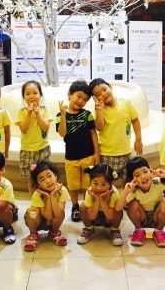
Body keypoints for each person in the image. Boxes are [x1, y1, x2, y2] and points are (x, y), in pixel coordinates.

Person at [115, 157, 165, 248]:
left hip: (158, 218)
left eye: (145, 171)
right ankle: (139, 230)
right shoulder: (133, 190)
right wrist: (126, 191)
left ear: (150, 171)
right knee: (132, 205)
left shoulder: (158, 182)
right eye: (137, 175)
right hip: (142, 218)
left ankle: (159, 231)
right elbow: (117, 207)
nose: (143, 176)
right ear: (132, 179)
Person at [56, 79, 99, 223]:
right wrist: (63, 115)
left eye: (85, 99)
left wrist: (96, 153)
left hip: (88, 156)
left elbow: (93, 133)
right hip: (71, 158)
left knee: (88, 185)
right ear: (69, 94)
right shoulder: (60, 116)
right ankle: (75, 207)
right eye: (78, 96)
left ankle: (87, 205)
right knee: (73, 186)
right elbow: (62, 133)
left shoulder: (87, 115)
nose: (81, 101)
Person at [89, 78, 143, 185]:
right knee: (107, 183)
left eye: (104, 89)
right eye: (98, 94)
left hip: (126, 152)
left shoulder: (125, 103)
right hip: (107, 154)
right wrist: (99, 110)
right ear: (95, 98)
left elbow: (135, 121)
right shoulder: (99, 110)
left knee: (128, 182)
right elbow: (99, 127)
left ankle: (127, 196)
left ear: (110, 87)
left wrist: (138, 139)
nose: (103, 94)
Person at [23, 160, 71, 252]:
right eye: (42, 179)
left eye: (49, 176)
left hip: (53, 220)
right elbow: (48, 216)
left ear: (55, 175)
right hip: (38, 221)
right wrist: (48, 198)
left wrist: (53, 196)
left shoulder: (62, 190)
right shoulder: (37, 194)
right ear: (38, 185)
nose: (48, 181)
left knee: (61, 212)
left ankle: (54, 232)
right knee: (32, 212)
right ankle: (33, 235)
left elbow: (58, 213)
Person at [16, 80, 53, 195]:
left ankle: (46, 200)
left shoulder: (44, 110)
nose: (31, 96)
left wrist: (38, 114)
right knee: (31, 179)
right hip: (28, 150)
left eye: (35, 93)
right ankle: (34, 201)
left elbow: (45, 128)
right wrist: (29, 114)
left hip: (43, 149)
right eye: (27, 94)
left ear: (40, 95)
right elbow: (24, 129)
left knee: (45, 176)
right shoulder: (22, 112)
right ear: (24, 97)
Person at [77, 164, 124, 246]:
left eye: (104, 184)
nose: (99, 188)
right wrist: (96, 201)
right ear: (90, 182)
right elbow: (91, 216)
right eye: (95, 183)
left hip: (109, 218)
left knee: (118, 209)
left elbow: (110, 217)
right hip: (94, 217)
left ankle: (114, 230)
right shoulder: (90, 192)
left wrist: (103, 201)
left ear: (110, 184)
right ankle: (89, 229)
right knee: (82, 206)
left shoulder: (114, 192)